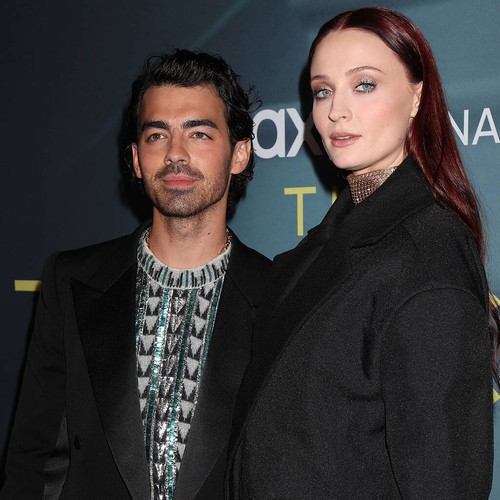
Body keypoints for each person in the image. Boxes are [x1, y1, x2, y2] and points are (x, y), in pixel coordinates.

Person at [226, 7, 499, 499]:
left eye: (364, 85)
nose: (336, 110)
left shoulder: (425, 258)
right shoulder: (322, 247)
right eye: (322, 91)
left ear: (416, 96)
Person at [1, 49, 270, 500]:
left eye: (199, 133)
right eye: (157, 135)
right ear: (136, 158)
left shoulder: (281, 295)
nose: (176, 154)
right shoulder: (71, 282)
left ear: (239, 153)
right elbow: (32, 463)